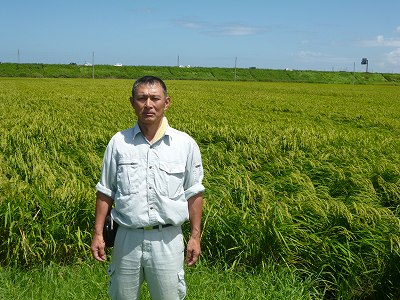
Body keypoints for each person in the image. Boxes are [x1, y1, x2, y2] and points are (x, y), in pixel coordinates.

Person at [91, 76, 205, 300]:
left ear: (167, 102)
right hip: (126, 238)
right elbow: (105, 191)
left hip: (168, 239)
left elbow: (194, 193)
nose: (148, 104)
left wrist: (195, 236)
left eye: (155, 98)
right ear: (132, 102)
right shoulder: (118, 142)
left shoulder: (185, 144)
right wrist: (97, 234)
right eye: (142, 98)